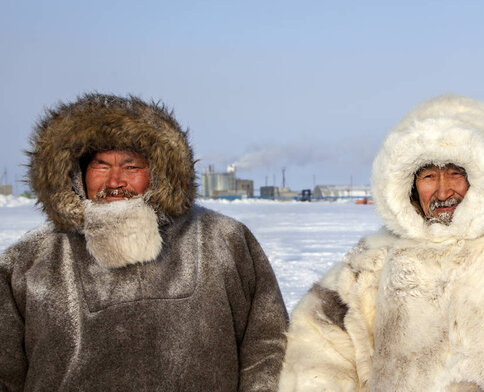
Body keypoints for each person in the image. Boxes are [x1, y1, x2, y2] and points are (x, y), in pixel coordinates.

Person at [279, 95, 484, 391]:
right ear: (407, 183)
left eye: (456, 173)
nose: (443, 191)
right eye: (429, 176)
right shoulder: (374, 258)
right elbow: (318, 350)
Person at [0, 93, 288, 391]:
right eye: (101, 166)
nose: (115, 181)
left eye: (131, 167)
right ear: (76, 172)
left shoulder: (224, 240)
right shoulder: (27, 261)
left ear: (160, 171)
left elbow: (267, 345)